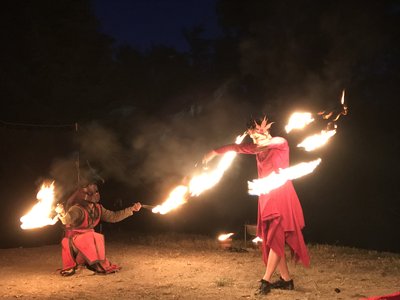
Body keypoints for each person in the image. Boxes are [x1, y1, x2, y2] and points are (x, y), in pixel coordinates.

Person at [202, 116, 309, 295]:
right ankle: (286, 280)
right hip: (266, 197)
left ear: (265, 131)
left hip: (281, 196)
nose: (254, 140)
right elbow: (236, 147)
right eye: (252, 137)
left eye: (257, 134)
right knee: (271, 238)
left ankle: (266, 281)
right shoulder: (256, 148)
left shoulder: (280, 142)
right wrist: (213, 152)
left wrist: (260, 140)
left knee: (276, 236)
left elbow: (267, 143)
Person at [55, 183, 141, 276]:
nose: (95, 195)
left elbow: (114, 217)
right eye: (92, 193)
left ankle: (87, 264)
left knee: (95, 237)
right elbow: (67, 220)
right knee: (90, 236)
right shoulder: (77, 209)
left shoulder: (98, 208)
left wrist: (131, 209)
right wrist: (62, 213)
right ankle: (80, 267)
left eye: (95, 192)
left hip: (88, 240)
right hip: (73, 241)